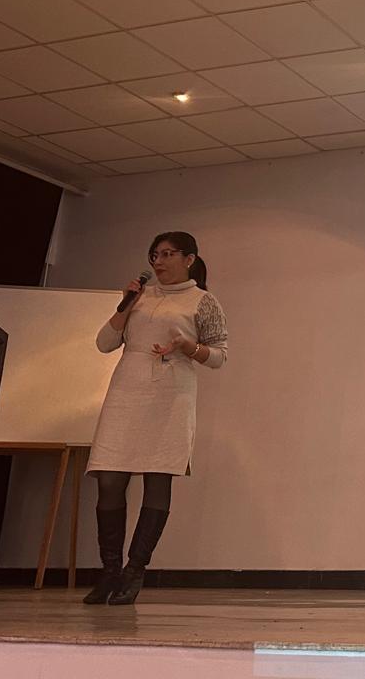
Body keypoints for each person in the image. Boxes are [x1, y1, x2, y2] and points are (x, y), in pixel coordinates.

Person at [84, 231, 228, 606]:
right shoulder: (139, 296)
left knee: (157, 478)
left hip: (170, 395)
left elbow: (219, 356)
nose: (159, 262)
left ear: (189, 259)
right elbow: (104, 343)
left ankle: (134, 571)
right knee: (109, 479)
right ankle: (109, 571)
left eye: (167, 254)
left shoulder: (203, 301)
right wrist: (125, 305)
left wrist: (188, 347)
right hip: (126, 392)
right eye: (154, 256)